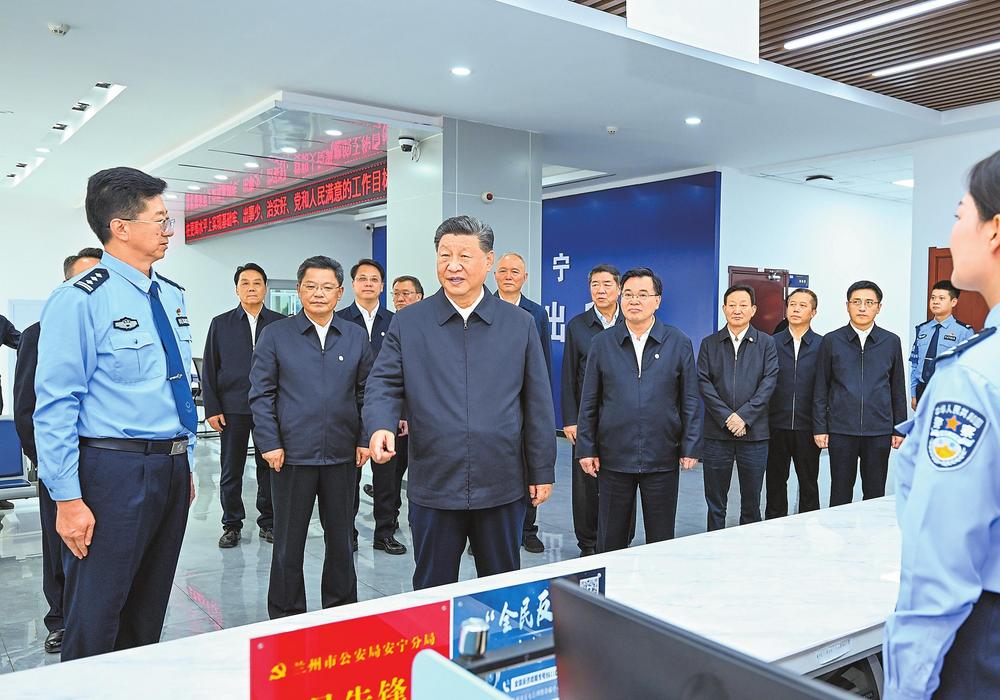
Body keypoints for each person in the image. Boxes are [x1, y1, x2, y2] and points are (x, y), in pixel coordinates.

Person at [33, 167, 197, 661]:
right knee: (97, 613)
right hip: (112, 472)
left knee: (148, 609)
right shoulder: (80, 299)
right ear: (121, 227)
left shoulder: (171, 294)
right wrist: (66, 499)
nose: (168, 231)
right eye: (160, 220)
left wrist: (185, 460)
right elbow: (56, 404)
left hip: (170, 467)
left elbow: (177, 386)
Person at [365, 215, 556, 590]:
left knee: (501, 587)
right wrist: (380, 424)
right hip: (435, 481)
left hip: (501, 481)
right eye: (444, 255)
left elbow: (537, 401)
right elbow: (383, 382)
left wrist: (541, 468)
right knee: (432, 588)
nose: (453, 266)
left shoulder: (519, 324)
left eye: (464, 256)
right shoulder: (410, 322)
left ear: (488, 260)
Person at [883, 150, 1000, 699]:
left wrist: (906, 689)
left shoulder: (975, 376)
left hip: (984, 641)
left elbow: (941, 567)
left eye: (959, 214)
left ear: (994, 230)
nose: (953, 232)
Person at [250, 256, 373, 618]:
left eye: (327, 287)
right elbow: (261, 393)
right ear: (299, 290)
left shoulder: (354, 336)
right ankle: (286, 615)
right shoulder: (276, 335)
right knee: (288, 543)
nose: (319, 293)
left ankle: (340, 612)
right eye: (311, 286)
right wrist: (270, 442)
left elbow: (367, 391)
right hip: (290, 456)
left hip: (342, 454)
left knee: (342, 540)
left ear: (340, 292)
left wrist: (364, 438)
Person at [12, 248, 102, 654]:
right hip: (59, 462)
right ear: (66, 285)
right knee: (59, 543)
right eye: (84, 279)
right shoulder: (39, 333)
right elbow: (27, 408)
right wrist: (48, 462)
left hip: (109, 462)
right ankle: (61, 618)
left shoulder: (115, 329)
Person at [576, 267, 701, 552]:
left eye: (643, 294)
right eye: (629, 294)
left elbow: (689, 398)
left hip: (662, 455)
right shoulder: (602, 343)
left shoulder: (677, 342)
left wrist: (690, 445)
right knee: (611, 537)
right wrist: (586, 448)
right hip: (614, 456)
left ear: (657, 301)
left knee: (661, 537)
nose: (634, 300)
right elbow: (590, 400)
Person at [201, 263, 284, 548]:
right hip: (232, 408)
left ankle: (268, 522)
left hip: (270, 408)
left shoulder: (280, 324)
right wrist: (212, 408)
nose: (251, 288)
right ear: (236, 289)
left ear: (265, 288)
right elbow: (209, 368)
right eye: (245, 283)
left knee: (269, 466)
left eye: (257, 282)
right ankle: (231, 524)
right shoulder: (221, 323)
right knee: (231, 469)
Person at [813, 281, 906, 507]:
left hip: (879, 429)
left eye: (869, 302)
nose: (862, 307)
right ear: (847, 306)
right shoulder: (831, 340)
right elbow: (821, 387)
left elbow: (897, 387)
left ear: (879, 307)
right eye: (856, 302)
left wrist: (899, 428)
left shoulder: (891, 341)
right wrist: (820, 427)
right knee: (840, 493)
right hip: (841, 429)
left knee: (874, 492)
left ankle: (871, 531)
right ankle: (838, 530)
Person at [335, 258, 404, 556]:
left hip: (386, 412)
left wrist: (403, 413)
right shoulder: (339, 320)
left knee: (386, 478)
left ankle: (385, 533)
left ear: (382, 286)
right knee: (348, 477)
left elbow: (405, 370)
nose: (368, 283)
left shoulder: (396, 322)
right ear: (353, 285)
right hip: (347, 410)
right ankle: (347, 533)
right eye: (362, 278)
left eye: (374, 279)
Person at [698, 284, 779, 531]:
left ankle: (749, 546)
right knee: (715, 502)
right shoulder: (709, 343)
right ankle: (714, 541)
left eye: (743, 305)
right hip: (717, 434)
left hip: (754, 434)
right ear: (724, 309)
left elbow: (769, 382)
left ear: (753, 310)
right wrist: (727, 418)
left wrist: (744, 417)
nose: (737, 310)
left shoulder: (766, 343)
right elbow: (703, 382)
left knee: (751, 502)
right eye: (732, 305)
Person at [561, 264, 624, 556]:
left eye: (607, 284)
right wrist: (570, 419)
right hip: (587, 419)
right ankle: (588, 543)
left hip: (621, 419)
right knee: (586, 484)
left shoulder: (630, 322)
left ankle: (619, 539)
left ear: (619, 289)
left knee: (621, 480)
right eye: (595, 284)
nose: (600, 290)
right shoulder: (578, 326)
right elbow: (568, 375)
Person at [494, 251, 553, 554]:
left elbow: (542, 361)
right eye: (503, 271)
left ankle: (528, 530)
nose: (508, 276)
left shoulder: (536, 314)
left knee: (530, 464)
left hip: (524, 398)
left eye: (515, 271)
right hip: (492, 402)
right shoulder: (483, 307)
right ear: (494, 275)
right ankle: (486, 533)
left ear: (525, 277)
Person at [363, 275, 426, 527]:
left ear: (419, 296)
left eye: (406, 293)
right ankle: (388, 522)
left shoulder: (429, 326)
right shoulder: (391, 324)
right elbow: (387, 378)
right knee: (391, 473)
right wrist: (398, 415)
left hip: (423, 416)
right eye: (396, 294)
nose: (400, 298)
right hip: (393, 417)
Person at [764, 289, 823, 519]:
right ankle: (773, 526)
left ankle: (809, 526)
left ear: (813, 312)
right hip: (775, 425)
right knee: (775, 482)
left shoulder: (823, 344)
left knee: (809, 483)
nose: (796, 309)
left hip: (808, 426)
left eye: (803, 305)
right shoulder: (771, 343)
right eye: (792, 304)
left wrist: (822, 424)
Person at [909, 280, 974, 408]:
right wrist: (913, 393)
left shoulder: (964, 332)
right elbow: (915, 363)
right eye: (933, 298)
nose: (935, 301)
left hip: (949, 391)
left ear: (953, 302)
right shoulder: (922, 329)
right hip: (922, 389)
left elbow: (968, 369)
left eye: (941, 298)